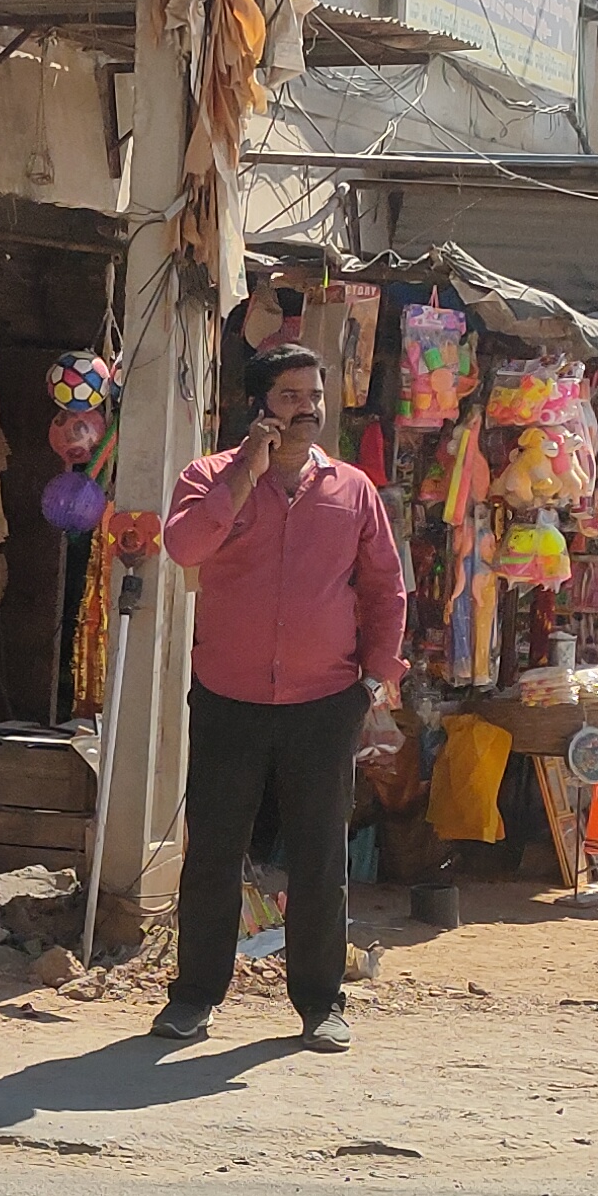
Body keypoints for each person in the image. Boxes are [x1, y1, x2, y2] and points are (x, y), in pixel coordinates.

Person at [150, 343, 410, 1056]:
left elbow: (385, 588)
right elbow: (185, 547)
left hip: (325, 700)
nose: (308, 408)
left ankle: (320, 1003)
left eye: (314, 395)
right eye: (291, 395)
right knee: (213, 854)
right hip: (229, 696)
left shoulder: (353, 489)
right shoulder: (207, 477)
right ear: (259, 404)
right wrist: (244, 471)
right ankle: (194, 997)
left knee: (321, 856)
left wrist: (373, 679)